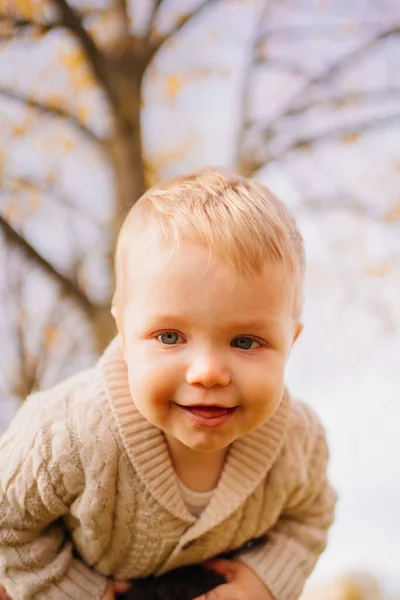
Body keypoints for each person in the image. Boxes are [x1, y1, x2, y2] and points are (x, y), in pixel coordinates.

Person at [0, 168, 337, 600]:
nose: (207, 372)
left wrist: (265, 581)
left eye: (245, 341)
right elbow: (9, 519)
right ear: (124, 336)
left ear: (289, 343)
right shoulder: (67, 431)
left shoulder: (298, 442)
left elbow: (310, 516)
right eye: (170, 337)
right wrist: (71, 590)